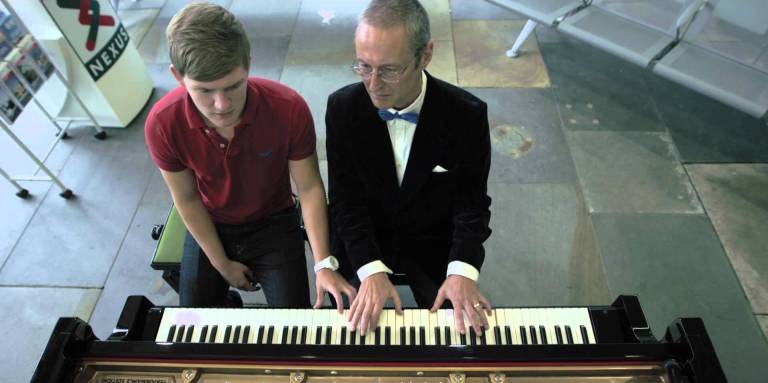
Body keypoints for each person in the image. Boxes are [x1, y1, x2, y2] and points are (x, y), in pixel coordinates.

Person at [144, 3, 355, 309]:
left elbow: (308, 188)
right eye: (204, 91)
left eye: (233, 86)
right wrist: (222, 265)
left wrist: (323, 264)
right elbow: (187, 199)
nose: (221, 105)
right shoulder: (162, 123)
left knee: (292, 324)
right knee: (192, 325)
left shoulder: (288, 108)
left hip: (274, 222)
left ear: (249, 65)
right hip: (210, 219)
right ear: (177, 76)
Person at [326, 0, 492, 335]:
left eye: (389, 69)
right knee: (347, 331)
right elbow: (345, 201)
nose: (373, 83)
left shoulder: (466, 115)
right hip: (361, 238)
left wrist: (461, 271)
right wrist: (370, 269)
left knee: (453, 333)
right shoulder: (342, 107)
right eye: (363, 66)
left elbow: (471, 203)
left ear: (425, 54)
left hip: (431, 244)